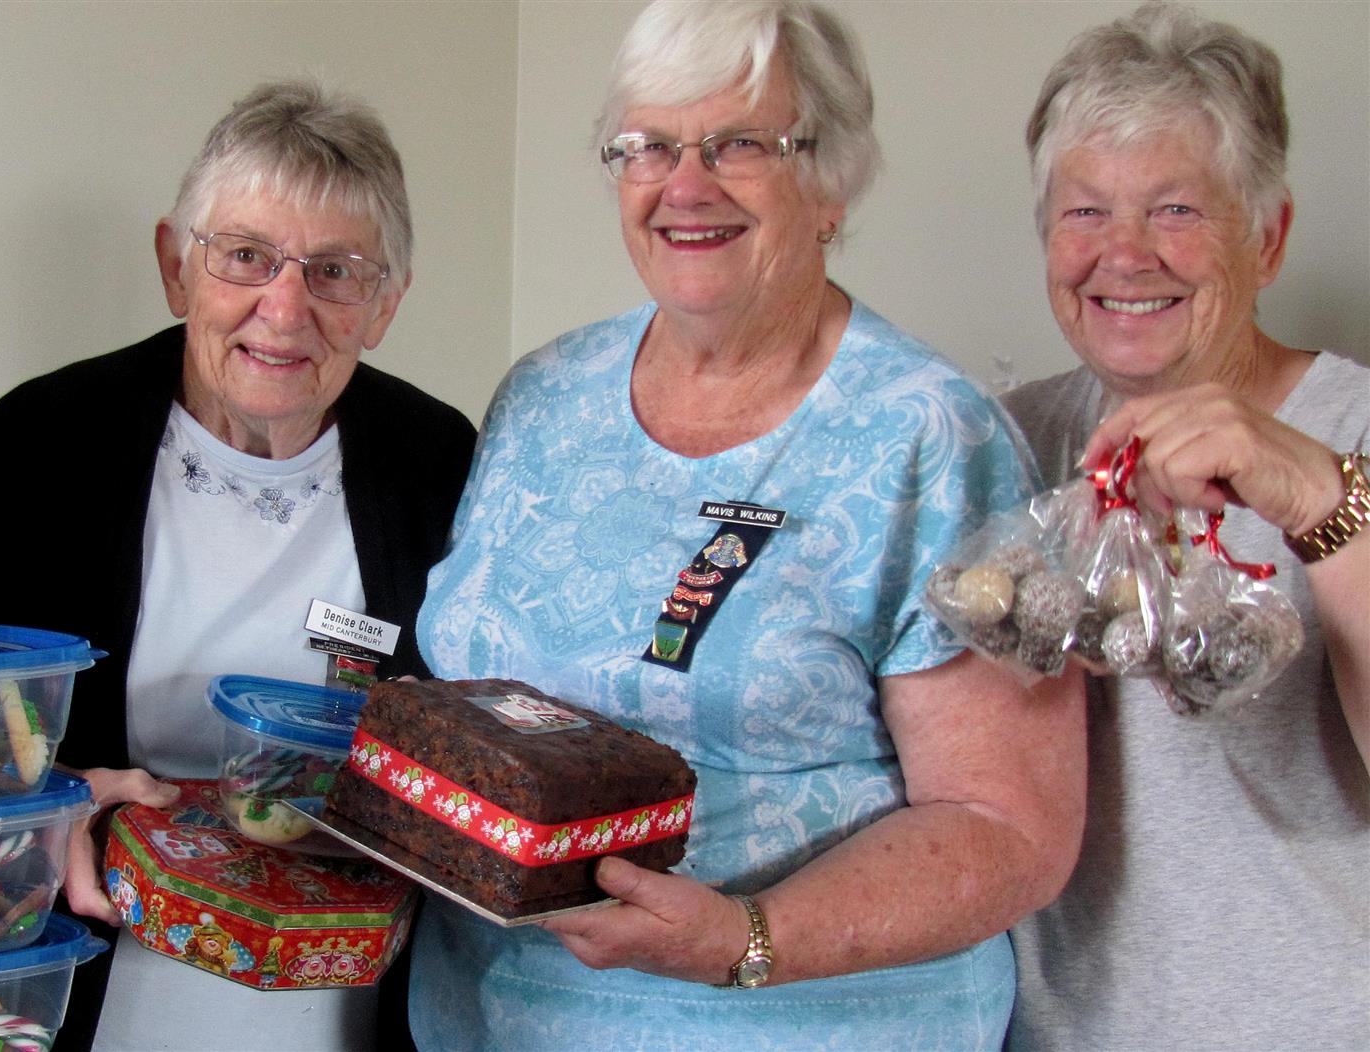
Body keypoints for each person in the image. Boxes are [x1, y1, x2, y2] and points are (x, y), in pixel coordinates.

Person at [405, 3, 1085, 1049]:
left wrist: (748, 935)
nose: (686, 184)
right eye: (649, 147)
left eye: (738, 144)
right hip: (486, 1017)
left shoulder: (931, 438)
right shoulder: (542, 393)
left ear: (832, 181)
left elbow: (1009, 827)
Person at [0, 80, 476, 1049]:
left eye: (336, 271)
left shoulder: (436, 461)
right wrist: (45, 805)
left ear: (385, 304)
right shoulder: (38, 445)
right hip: (81, 994)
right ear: (177, 267)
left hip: (344, 1006)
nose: (285, 307)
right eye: (246, 256)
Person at [1003, 4, 1369, 1048]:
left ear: (1270, 234)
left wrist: (1321, 499)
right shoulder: (1011, 442)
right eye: (1083, 213)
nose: (1124, 255)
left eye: (1175, 210)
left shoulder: (1353, 434)